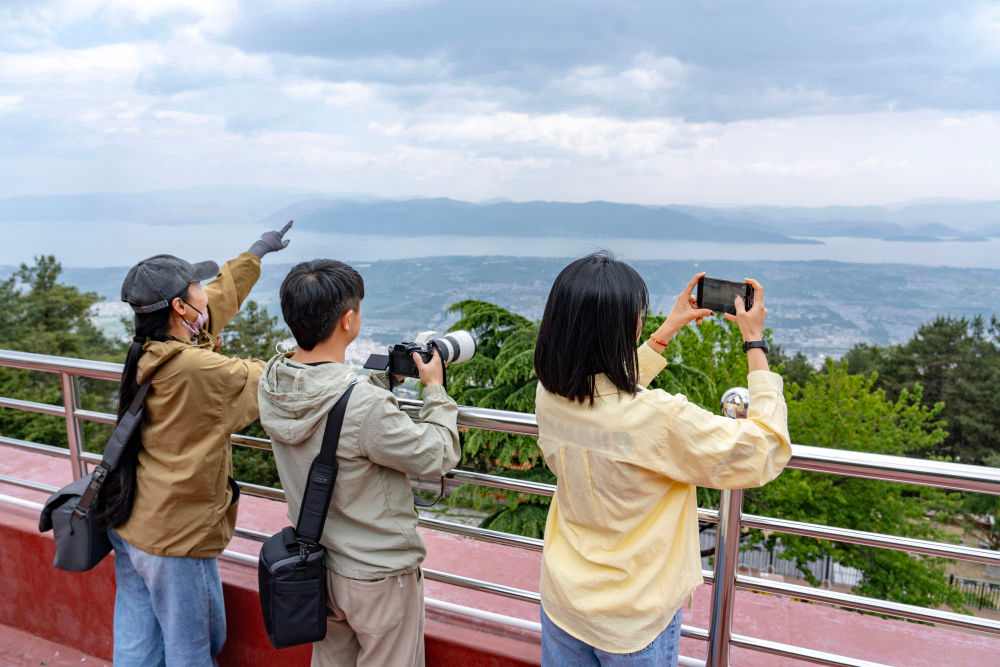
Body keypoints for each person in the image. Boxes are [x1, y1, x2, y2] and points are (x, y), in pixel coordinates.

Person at [533, 253, 791, 667]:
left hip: (564, 601)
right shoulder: (658, 418)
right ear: (620, 329)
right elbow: (764, 450)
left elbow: (605, 392)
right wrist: (755, 342)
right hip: (632, 618)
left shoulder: (550, 395)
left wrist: (666, 332)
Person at [98, 222, 294, 667]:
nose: (206, 292)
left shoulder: (151, 348)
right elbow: (271, 380)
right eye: (196, 288)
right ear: (180, 307)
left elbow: (219, 298)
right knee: (193, 649)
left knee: (138, 645)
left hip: (132, 521)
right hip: (175, 536)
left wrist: (255, 254)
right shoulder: (195, 369)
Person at [258, 259, 461, 667]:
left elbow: (330, 401)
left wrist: (377, 382)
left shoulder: (273, 379)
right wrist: (435, 391)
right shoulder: (364, 405)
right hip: (376, 574)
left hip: (317, 562)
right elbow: (437, 454)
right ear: (348, 320)